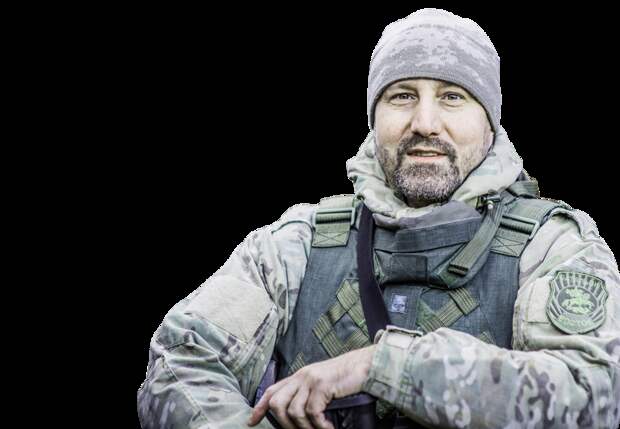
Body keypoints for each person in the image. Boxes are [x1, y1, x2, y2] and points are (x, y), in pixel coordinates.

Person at [137, 8, 620, 429]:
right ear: (374, 119)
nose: (425, 123)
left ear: (489, 122)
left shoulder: (552, 245)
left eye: (453, 96)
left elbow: (592, 397)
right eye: (402, 96)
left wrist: (384, 366)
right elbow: (180, 364)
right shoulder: (297, 245)